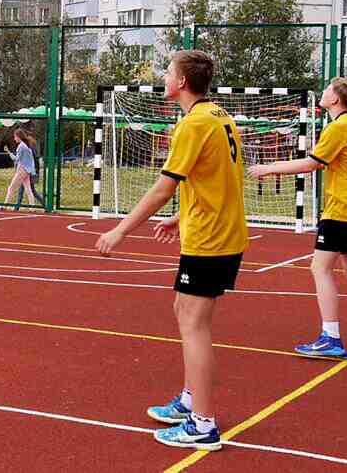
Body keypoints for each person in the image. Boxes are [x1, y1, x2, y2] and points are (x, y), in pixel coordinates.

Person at [96, 50, 246, 452]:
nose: (164, 77)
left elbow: (164, 187)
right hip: (216, 231)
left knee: (194, 324)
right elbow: (220, 178)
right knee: (185, 311)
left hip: (213, 239)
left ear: (181, 82)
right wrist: (184, 218)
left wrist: (120, 231)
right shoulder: (219, 116)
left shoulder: (194, 124)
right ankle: (191, 400)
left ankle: (203, 423)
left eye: (168, 72)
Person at [247, 76, 347, 361]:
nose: (322, 93)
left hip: (342, 210)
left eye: (327, 90)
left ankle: (330, 336)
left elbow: (312, 164)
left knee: (319, 267)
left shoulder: (339, 128)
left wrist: (270, 168)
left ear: (335, 98)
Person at [1, 127, 43, 211]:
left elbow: (16, 159)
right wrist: (32, 171)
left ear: (18, 136)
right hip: (27, 171)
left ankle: (4, 206)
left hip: (22, 170)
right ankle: (32, 208)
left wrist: (8, 152)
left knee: (11, 188)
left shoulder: (21, 146)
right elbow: (30, 160)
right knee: (28, 189)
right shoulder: (26, 145)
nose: (14, 138)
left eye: (15, 137)